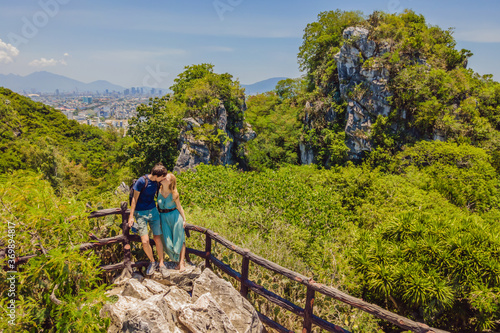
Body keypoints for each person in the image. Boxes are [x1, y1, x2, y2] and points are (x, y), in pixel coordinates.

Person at [128, 163, 169, 276]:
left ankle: (161, 263)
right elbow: (134, 200)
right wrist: (131, 217)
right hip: (140, 213)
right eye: (163, 177)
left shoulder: (157, 182)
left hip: (153, 211)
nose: (164, 178)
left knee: (157, 237)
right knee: (145, 241)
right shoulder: (141, 181)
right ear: (156, 176)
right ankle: (152, 261)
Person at [157, 173, 187, 272]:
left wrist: (184, 219)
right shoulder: (158, 190)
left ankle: (181, 263)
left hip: (175, 217)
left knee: (179, 239)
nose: (163, 178)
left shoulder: (174, 193)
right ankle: (176, 260)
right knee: (167, 242)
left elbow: (179, 206)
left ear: (170, 182)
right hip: (163, 218)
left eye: (166, 178)